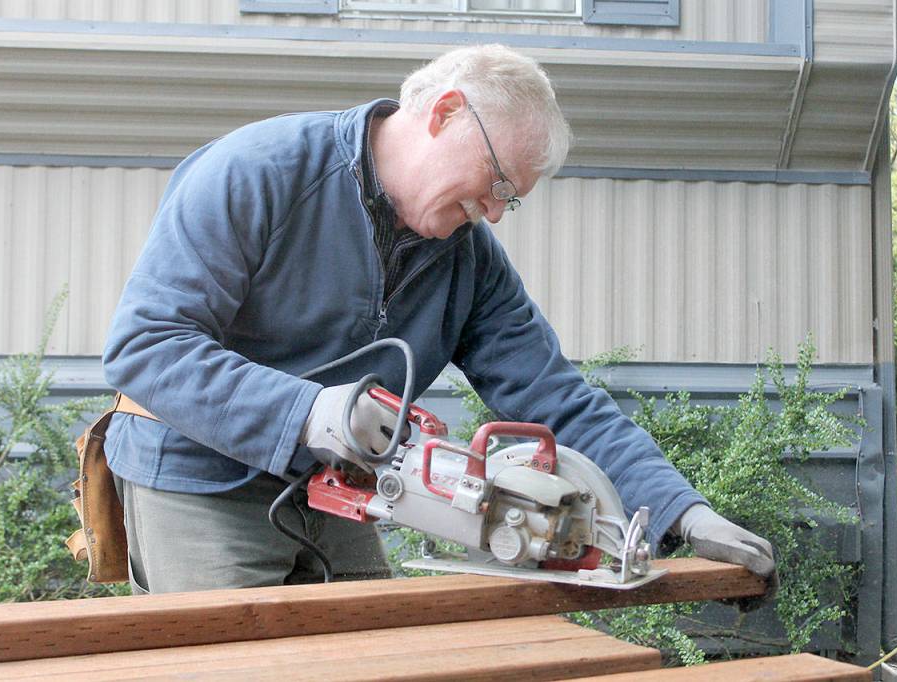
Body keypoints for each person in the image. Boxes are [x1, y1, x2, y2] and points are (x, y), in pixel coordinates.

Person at [103, 43, 776, 595]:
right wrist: (310, 414)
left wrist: (684, 511)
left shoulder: (471, 259)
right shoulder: (257, 172)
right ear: (446, 112)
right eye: (497, 181)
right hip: (198, 479)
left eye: (511, 198)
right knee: (237, 662)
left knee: (389, 653)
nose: (494, 211)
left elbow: (555, 398)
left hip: (339, 490)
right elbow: (146, 347)